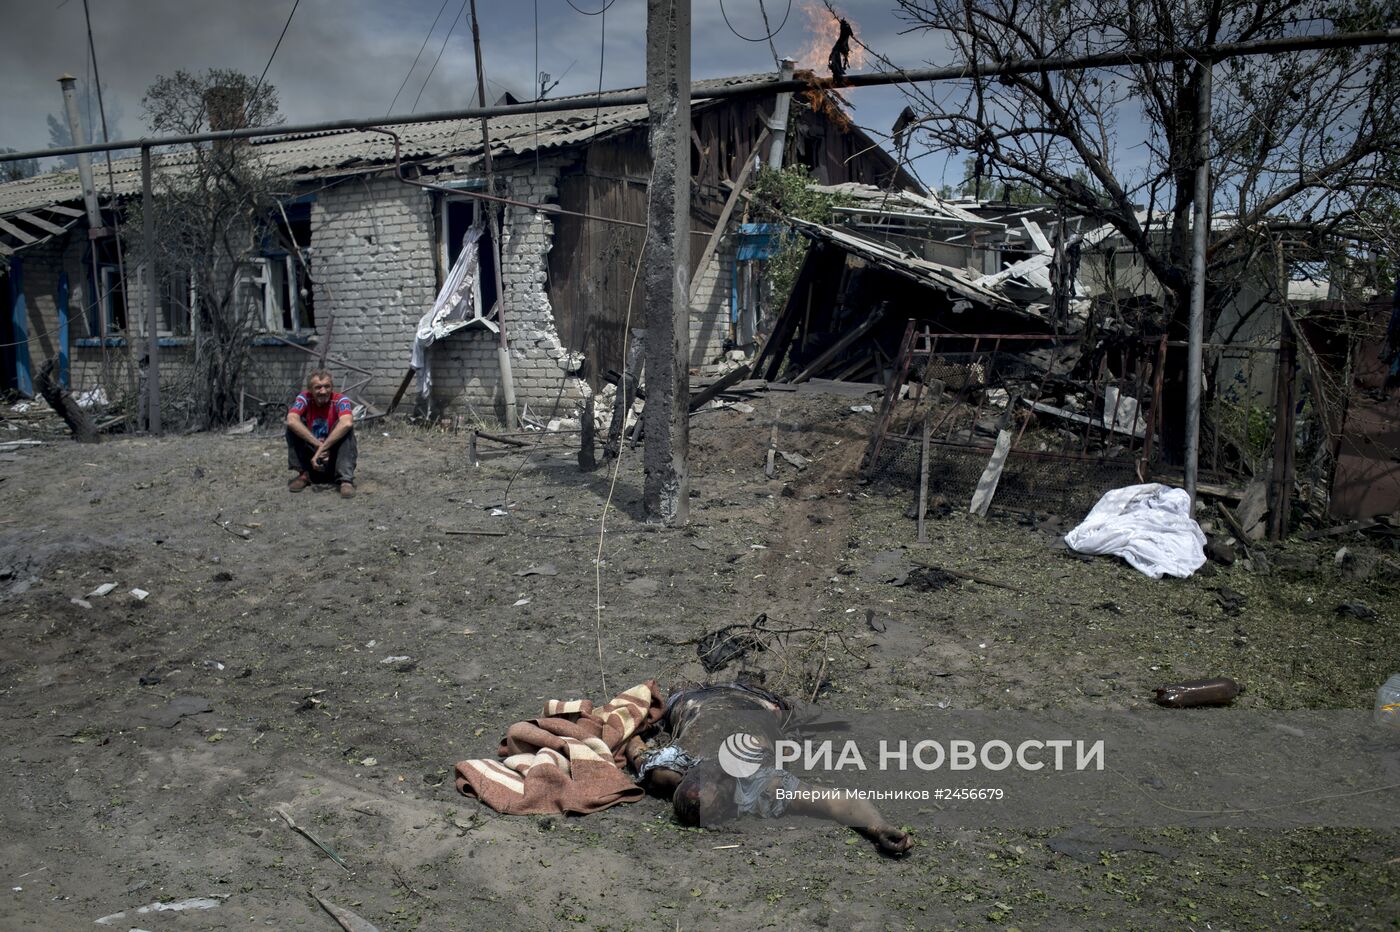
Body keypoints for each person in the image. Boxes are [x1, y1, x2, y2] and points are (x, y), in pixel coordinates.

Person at [626, 683, 913, 855]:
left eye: (708, 772)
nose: (717, 767)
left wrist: (630, 728)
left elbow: (634, 747)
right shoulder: (761, 786)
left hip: (693, 696)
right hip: (760, 701)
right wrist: (878, 828)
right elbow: (836, 802)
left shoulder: (669, 768)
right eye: (720, 777)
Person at [285, 369, 357, 498]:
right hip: (312, 458)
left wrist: (324, 448)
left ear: (332, 387)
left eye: (327, 386)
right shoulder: (304, 398)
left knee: (346, 427)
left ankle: (345, 480)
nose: (323, 391)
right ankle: (304, 474)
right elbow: (291, 420)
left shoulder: (340, 400)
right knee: (293, 425)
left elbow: (346, 423)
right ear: (310, 390)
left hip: (334, 460)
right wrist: (319, 447)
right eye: (318, 387)